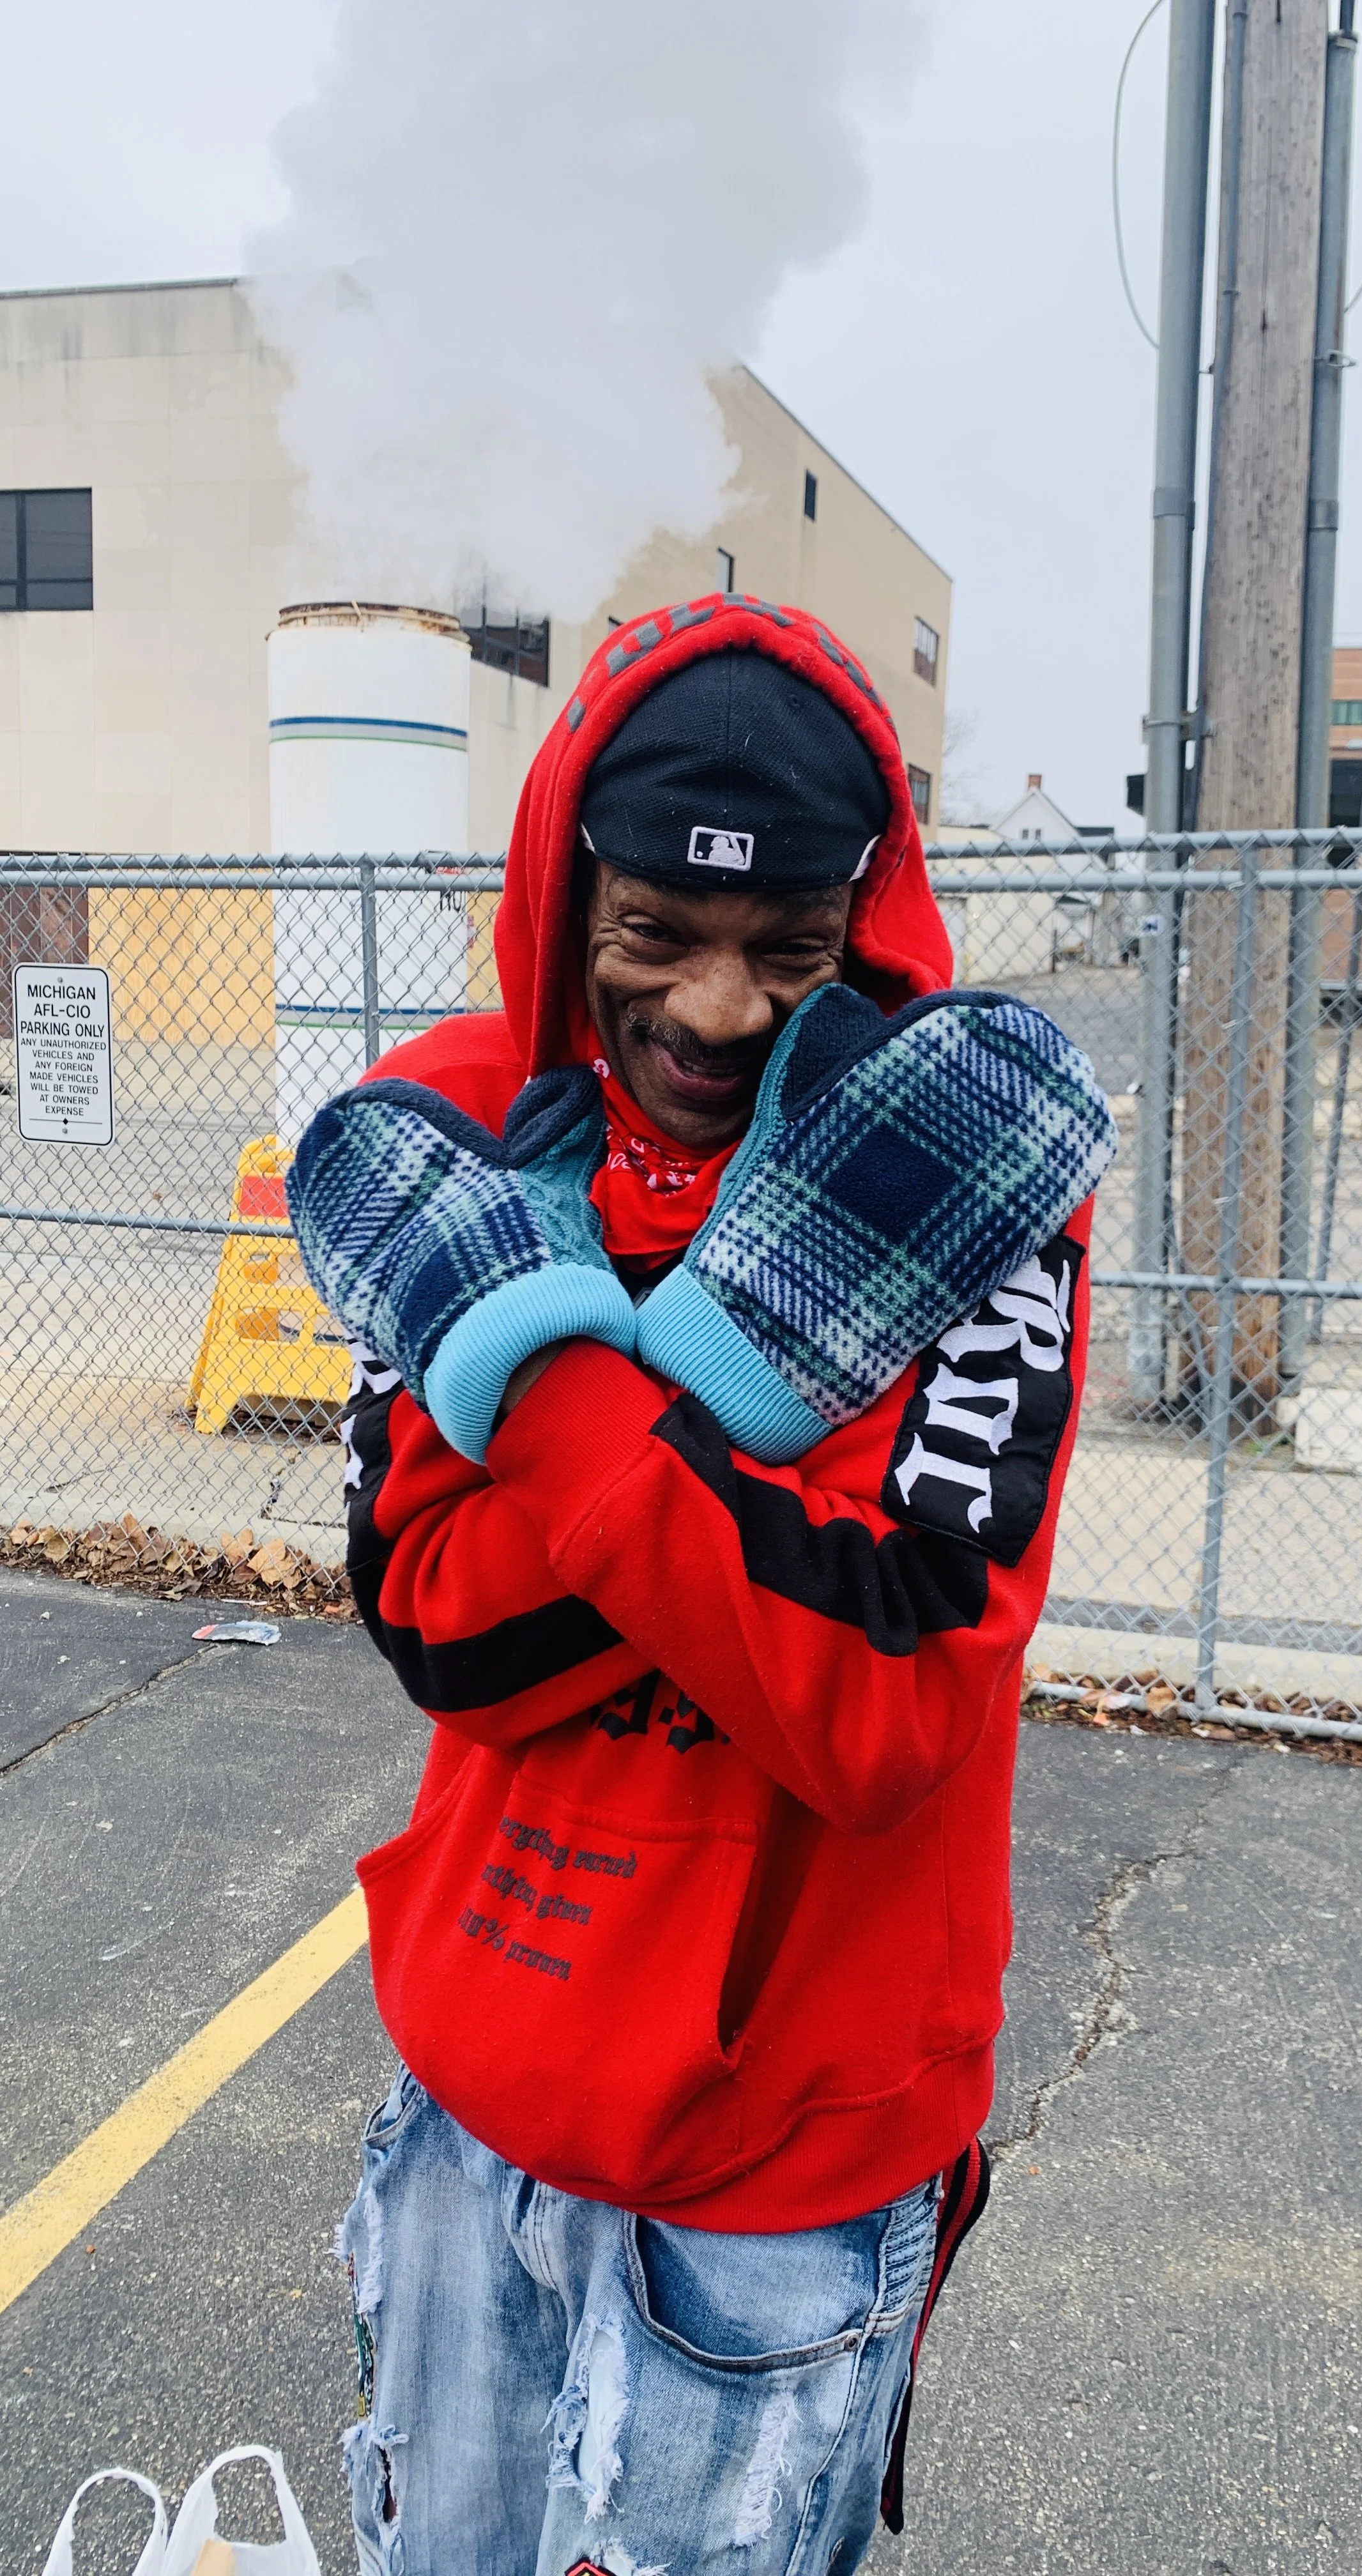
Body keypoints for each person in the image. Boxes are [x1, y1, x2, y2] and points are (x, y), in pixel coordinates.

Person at [289, 595, 1114, 2576]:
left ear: (862, 917)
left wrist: (554, 1369)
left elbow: (887, 1708)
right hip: (473, 2099)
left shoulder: (970, 1160)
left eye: (788, 949)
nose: (721, 1009)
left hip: (787, 2158)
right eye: (655, 929)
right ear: (569, 885)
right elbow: (441, 1632)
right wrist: (751, 1455)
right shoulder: (441, 1131)